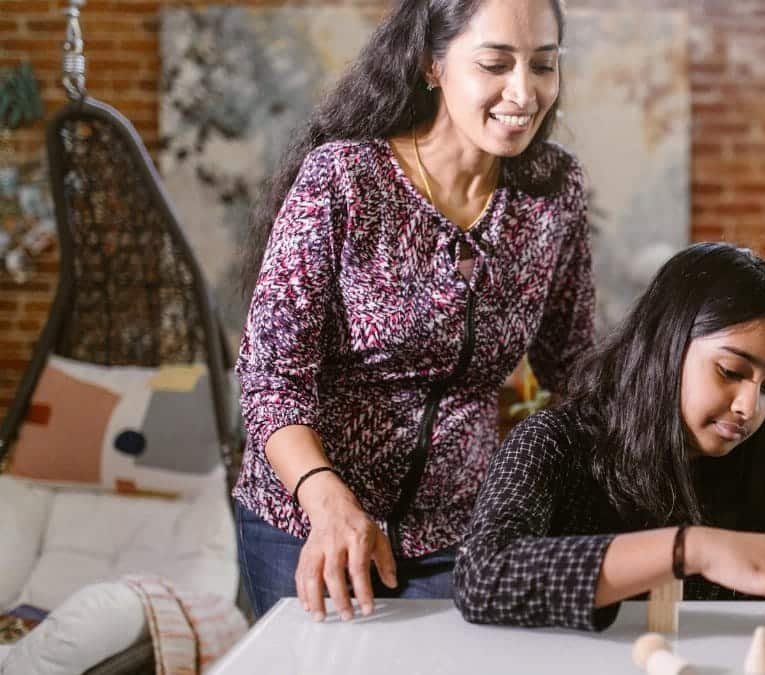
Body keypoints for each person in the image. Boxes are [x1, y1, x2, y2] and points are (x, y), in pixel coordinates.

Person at [234, 0, 592, 623]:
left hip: (457, 532)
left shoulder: (552, 191)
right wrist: (327, 502)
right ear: (432, 64)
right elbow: (271, 380)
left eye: (543, 65)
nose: (523, 92)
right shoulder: (344, 179)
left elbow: (573, 364)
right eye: (495, 64)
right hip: (306, 520)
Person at [454, 243, 765, 631]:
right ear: (667, 345)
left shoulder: (752, 474)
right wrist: (694, 548)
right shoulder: (553, 441)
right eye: (730, 371)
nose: (749, 406)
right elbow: (483, 577)